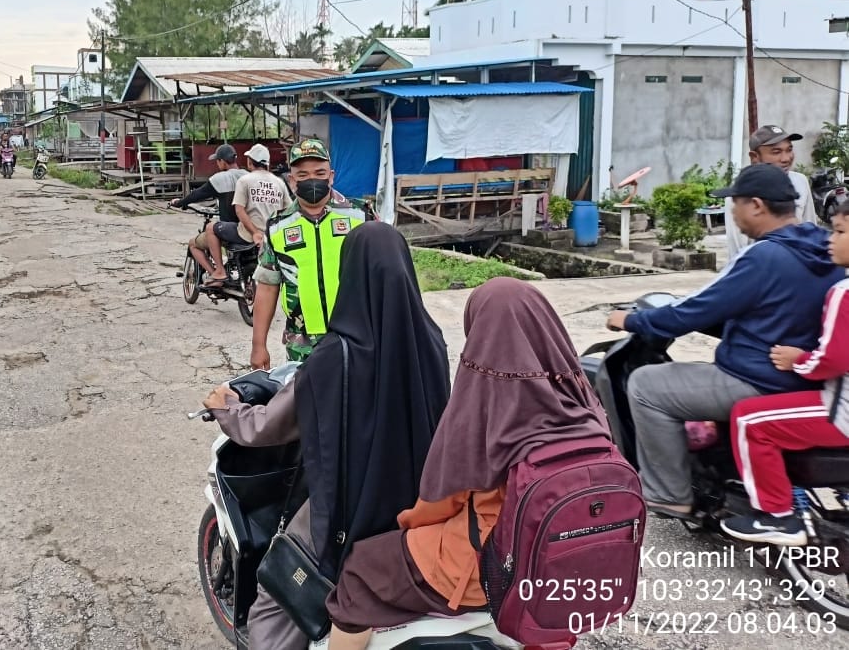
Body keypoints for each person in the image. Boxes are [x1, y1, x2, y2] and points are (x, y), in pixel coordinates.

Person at [325, 278, 612, 650]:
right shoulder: (585, 404)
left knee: (360, 572)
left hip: (489, 568)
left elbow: (441, 500)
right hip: (568, 564)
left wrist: (406, 525)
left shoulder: (485, 406)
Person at [202, 222, 450, 650]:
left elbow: (265, 426)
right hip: (421, 508)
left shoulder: (333, 358)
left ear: (348, 275)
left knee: (275, 597)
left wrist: (225, 406)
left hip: (347, 515)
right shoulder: (430, 341)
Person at [607, 163, 840, 519]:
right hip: (804, 380)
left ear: (757, 206)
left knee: (645, 385)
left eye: (736, 203)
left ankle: (668, 495)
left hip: (757, 381)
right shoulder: (825, 248)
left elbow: (693, 310)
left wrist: (631, 320)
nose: (732, 212)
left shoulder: (764, 256)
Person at [720, 199, 849, 546]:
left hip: (843, 412)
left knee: (749, 420)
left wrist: (798, 361)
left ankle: (776, 516)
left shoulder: (844, 291)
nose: (830, 240)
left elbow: (834, 360)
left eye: (839, 232)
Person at [250, 139, 374, 370]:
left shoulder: (360, 217)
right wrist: (259, 345)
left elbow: (386, 278)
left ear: (331, 176)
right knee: (308, 404)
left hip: (359, 337)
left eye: (319, 172)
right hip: (302, 345)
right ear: (292, 180)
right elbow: (267, 287)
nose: (312, 179)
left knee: (359, 403)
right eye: (303, 175)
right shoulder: (278, 227)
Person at [727, 125, 818, 261]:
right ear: (754, 157)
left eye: (789, 150)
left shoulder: (800, 181)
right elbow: (738, 249)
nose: (786, 158)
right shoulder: (741, 192)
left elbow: (810, 228)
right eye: (776, 152)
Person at [200, 143, 291, 278]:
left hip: (247, 234)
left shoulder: (245, 180)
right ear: (267, 162)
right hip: (272, 235)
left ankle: (219, 270)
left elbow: (239, 211)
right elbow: (287, 211)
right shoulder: (279, 182)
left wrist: (255, 233)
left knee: (211, 227)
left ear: (249, 162)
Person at [169, 144, 247, 286]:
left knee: (193, 243)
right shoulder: (247, 176)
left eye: (217, 161)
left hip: (229, 230)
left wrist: (179, 202)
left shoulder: (220, 179)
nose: (217, 164)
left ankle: (216, 273)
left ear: (222, 161)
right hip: (248, 228)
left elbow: (197, 194)